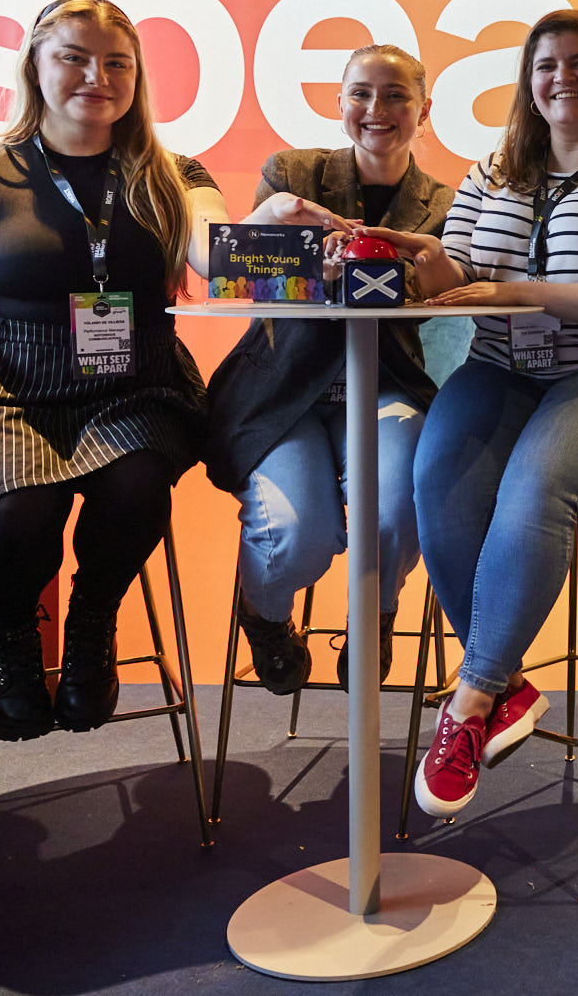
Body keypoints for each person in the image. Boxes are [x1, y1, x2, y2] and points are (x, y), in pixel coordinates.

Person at [359, 9, 578, 820]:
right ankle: (509, 685)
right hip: (505, 368)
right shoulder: (492, 172)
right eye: (547, 65)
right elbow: (463, 280)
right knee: (436, 476)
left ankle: (471, 702)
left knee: (534, 484)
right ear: (528, 81)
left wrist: (511, 290)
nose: (562, 78)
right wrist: (431, 264)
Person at [0, 0, 233, 741]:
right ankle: (10, 641)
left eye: (117, 63)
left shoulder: (174, 175)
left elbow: (218, 252)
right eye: (74, 57)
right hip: (2, 385)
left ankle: (94, 623)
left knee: (136, 489)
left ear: (137, 77)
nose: (97, 76)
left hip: (134, 384)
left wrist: (268, 235)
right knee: (16, 513)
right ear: (35, 66)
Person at [204, 45, 454, 694]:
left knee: (396, 511)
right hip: (283, 389)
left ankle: (377, 613)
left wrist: (419, 271)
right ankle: (265, 616)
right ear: (339, 102)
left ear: (424, 110)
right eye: (361, 94)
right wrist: (308, 265)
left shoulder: (442, 204)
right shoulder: (292, 174)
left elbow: (451, 296)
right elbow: (246, 277)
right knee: (296, 534)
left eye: (396, 95)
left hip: (386, 384)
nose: (377, 109)